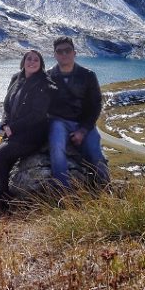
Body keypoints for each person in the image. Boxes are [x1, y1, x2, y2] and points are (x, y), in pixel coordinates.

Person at [0, 50, 55, 213]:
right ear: (23, 62)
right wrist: (5, 123)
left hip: (32, 135)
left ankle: (5, 199)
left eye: (36, 60)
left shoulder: (44, 84)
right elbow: (6, 106)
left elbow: (37, 115)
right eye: (29, 59)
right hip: (13, 132)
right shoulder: (16, 78)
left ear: (41, 64)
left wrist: (12, 127)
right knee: (1, 165)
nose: (32, 62)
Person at [47, 36, 109, 189]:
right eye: (59, 51)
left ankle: (106, 188)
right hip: (58, 122)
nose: (64, 54)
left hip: (84, 123)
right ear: (54, 55)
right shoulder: (48, 76)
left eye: (67, 50)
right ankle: (64, 192)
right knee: (57, 147)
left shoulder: (88, 75)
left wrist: (83, 130)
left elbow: (95, 105)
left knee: (96, 154)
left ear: (74, 53)